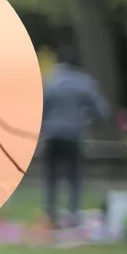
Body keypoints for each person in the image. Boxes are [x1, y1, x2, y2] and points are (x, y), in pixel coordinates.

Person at [40, 44, 112, 230]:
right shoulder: (84, 82)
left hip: (53, 135)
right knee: (75, 178)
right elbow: (102, 111)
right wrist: (87, 121)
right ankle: (73, 215)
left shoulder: (50, 81)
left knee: (51, 178)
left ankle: (51, 215)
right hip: (74, 135)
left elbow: (41, 109)